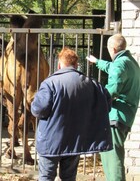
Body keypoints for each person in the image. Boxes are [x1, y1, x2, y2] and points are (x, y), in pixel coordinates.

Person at [31, 47, 113, 181]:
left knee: (46, 176)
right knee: (69, 177)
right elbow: (106, 104)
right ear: (76, 65)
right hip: (74, 140)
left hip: (50, 141)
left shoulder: (50, 83)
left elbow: (38, 110)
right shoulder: (92, 84)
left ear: (59, 65)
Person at [86, 33, 140, 181]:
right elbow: (114, 68)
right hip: (125, 116)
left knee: (112, 158)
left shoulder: (120, 64)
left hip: (115, 117)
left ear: (113, 49)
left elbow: (114, 88)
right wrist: (97, 62)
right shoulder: (130, 62)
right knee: (113, 155)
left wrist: (96, 100)